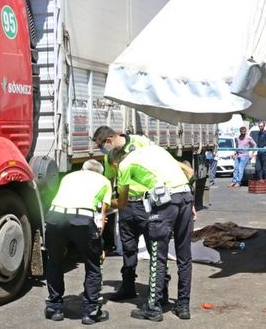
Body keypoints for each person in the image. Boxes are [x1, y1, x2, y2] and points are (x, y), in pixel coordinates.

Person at [109, 145, 195, 322]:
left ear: (115, 163)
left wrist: (104, 202)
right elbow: (189, 172)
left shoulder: (125, 165)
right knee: (184, 256)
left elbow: (123, 201)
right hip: (186, 195)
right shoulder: (154, 150)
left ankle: (153, 307)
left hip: (166, 201)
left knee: (158, 255)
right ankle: (183, 306)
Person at [44, 159, 111, 325]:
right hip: (82, 218)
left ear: (83, 169)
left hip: (55, 216)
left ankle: (55, 308)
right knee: (92, 264)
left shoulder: (69, 176)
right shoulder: (104, 181)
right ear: (100, 173)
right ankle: (91, 311)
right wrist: (99, 238)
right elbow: (102, 213)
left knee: (54, 261)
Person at [92, 125, 155, 301]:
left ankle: (159, 291)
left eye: (100, 145)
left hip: (147, 204)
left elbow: (158, 163)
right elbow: (110, 180)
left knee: (154, 249)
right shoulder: (109, 157)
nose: (101, 149)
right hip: (125, 206)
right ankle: (128, 287)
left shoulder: (140, 142)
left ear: (109, 140)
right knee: (128, 249)